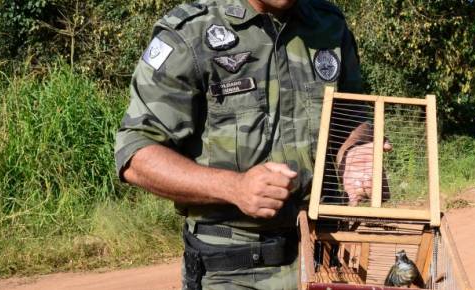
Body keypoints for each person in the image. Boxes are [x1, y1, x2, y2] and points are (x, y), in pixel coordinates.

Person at [113, 0, 376, 289]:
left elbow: (353, 115)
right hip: (232, 271)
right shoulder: (190, 33)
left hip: (326, 260)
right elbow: (136, 153)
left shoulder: (328, 25)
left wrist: (355, 149)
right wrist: (233, 187)